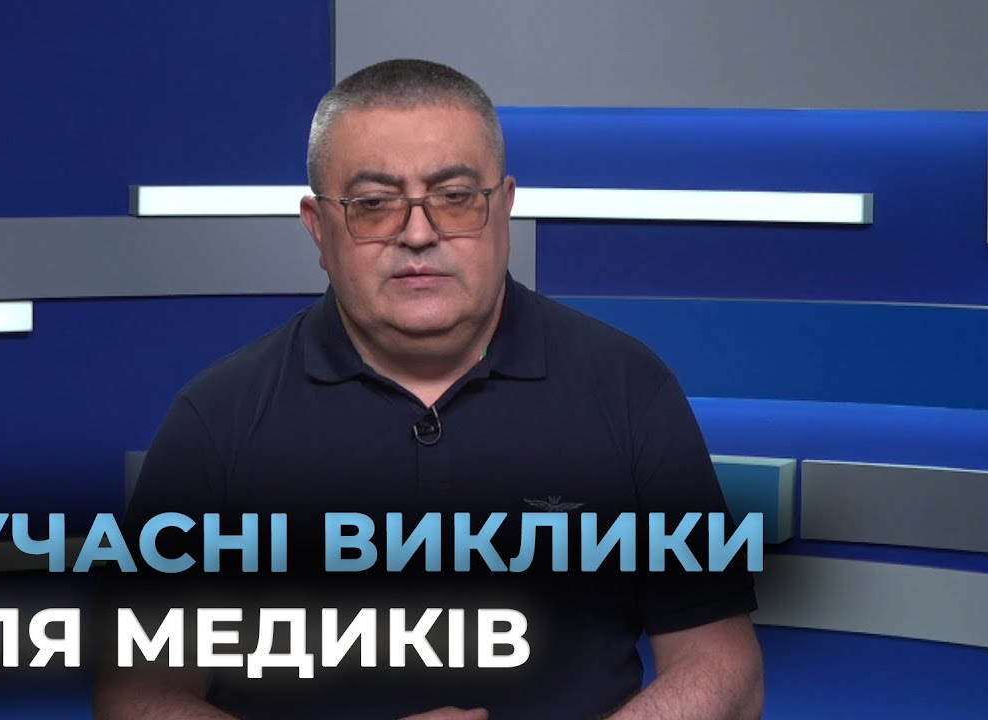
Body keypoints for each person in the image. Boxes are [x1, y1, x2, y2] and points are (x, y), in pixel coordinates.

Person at [95, 58, 762, 720]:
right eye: (373, 204)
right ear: (318, 227)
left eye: (455, 196)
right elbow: (135, 693)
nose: (418, 234)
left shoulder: (629, 390)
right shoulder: (218, 421)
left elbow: (723, 667)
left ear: (504, 207)